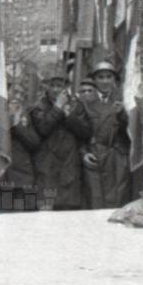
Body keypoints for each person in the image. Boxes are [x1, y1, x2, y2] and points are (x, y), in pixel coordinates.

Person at [13, 76, 92, 211]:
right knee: (45, 210)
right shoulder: (38, 106)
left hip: (69, 166)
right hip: (46, 166)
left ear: (65, 87)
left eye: (59, 86)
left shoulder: (76, 105)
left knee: (68, 211)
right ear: (47, 87)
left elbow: (86, 132)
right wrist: (58, 108)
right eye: (52, 85)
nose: (55, 89)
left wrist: (69, 116)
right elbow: (43, 129)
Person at [80, 63, 132, 209]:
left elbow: (133, 130)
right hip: (95, 155)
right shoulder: (86, 101)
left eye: (109, 77)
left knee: (117, 200)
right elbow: (80, 133)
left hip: (117, 156)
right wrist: (84, 153)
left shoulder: (124, 98)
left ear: (114, 79)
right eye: (100, 77)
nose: (105, 81)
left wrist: (122, 114)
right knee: (95, 200)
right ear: (94, 80)